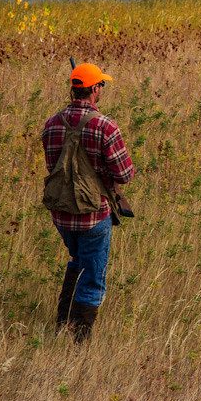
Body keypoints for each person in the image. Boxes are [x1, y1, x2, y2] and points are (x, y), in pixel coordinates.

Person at [41, 62, 134, 342]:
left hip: (62, 214)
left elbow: (52, 168)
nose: (101, 88)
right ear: (94, 89)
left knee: (77, 260)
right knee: (93, 275)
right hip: (94, 214)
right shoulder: (105, 126)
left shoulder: (51, 124)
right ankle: (80, 340)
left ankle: (62, 323)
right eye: (101, 85)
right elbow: (124, 174)